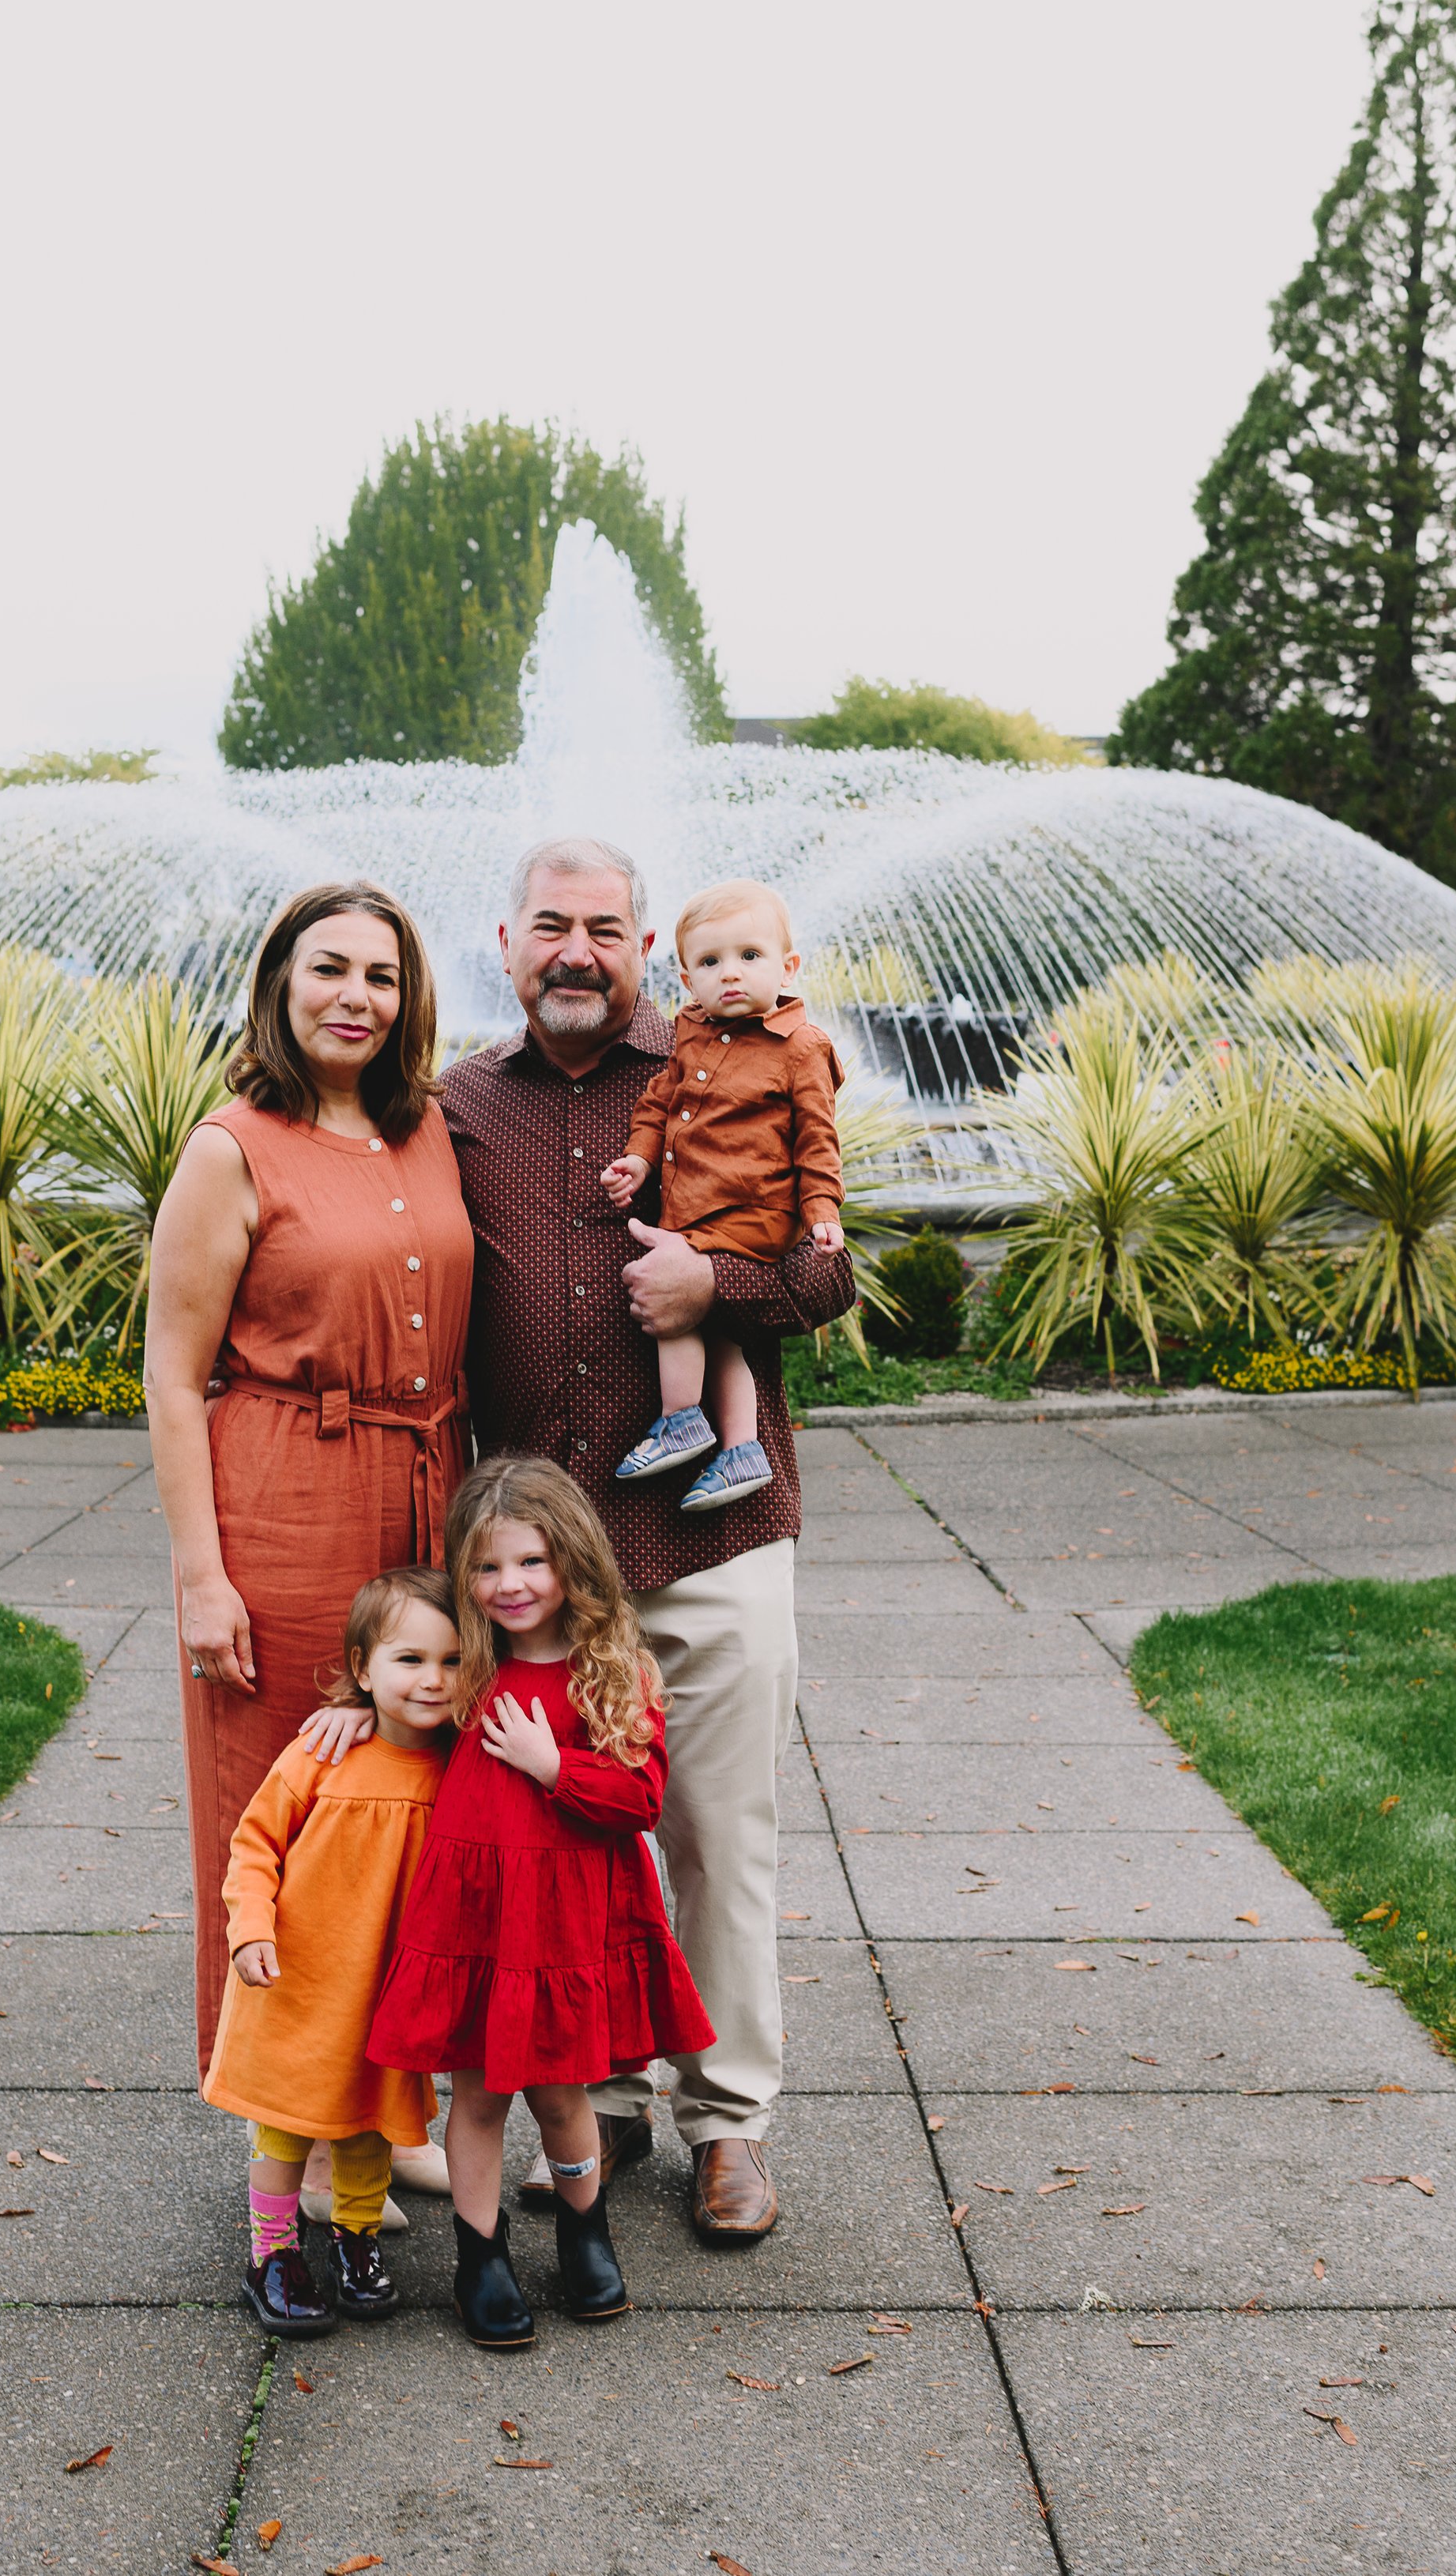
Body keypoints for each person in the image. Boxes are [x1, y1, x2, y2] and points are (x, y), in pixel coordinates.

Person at [438, 838, 854, 2242]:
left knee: (719, 1838)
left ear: (645, 950)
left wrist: (715, 1277)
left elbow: (826, 1273)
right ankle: (600, 2097)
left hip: (714, 1532)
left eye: (604, 928)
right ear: (505, 942)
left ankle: (728, 2122)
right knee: (566, 1843)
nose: (575, 950)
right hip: (546, 1583)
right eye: (550, 926)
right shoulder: (459, 1105)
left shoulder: (733, 1060)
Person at [145, 879, 473, 2218]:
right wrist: (199, 1572)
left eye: (382, 977)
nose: (355, 995)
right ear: (280, 981)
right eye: (329, 968)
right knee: (278, 1811)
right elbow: (173, 1373)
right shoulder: (234, 1146)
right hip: (280, 1503)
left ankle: (380, 2114)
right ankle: (278, 2116)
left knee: (404, 1814)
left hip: (423, 1500)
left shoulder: (430, 1129)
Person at [367, 1456, 711, 2348]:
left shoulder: (613, 1666)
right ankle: (479, 2255)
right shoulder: (466, 1664)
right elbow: (396, 1692)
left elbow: (639, 1796)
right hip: (478, 1913)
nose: (508, 1584)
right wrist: (345, 1709)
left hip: (563, 1917)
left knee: (565, 2093)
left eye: (529, 1561)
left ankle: (582, 2227)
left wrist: (552, 1766)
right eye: (485, 1566)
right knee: (476, 2095)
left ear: (573, 1562)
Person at [203, 1567, 460, 2340]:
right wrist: (251, 1927)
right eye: (409, 1659)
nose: (432, 1678)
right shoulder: (320, 1753)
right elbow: (254, 1845)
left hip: (387, 1985)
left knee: (367, 2123)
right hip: (301, 1977)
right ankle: (273, 2253)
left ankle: (356, 2237)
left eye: (452, 1661)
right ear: (363, 1668)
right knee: (283, 2125)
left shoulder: (459, 1768)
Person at [604, 879, 845, 1512]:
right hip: (700, 1209)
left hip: (753, 1213)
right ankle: (742, 1448)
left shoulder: (801, 1046)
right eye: (710, 962)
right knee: (723, 1330)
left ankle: (682, 1416)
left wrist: (822, 1211)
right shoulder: (693, 1033)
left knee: (671, 1291)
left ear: (788, 966)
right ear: (687, 979)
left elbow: (817, 1138)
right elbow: (660, 1100)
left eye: (749, 956)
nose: (729, 974)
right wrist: (637, 1157)